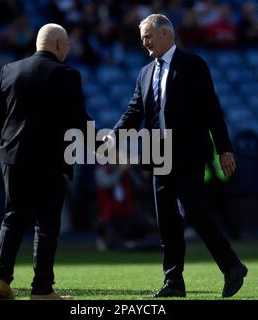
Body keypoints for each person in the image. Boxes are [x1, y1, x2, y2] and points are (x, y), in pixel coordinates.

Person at [104, 14, 247, 298]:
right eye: (142, 37)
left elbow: (211, 109)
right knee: (166, 220)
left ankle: (232, 266)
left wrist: (224, 148)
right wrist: (114, 134)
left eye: (148, 36)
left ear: (166, 34)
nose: (144, 42)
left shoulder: (193, 65)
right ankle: (174, 282)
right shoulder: (144, 73)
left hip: (188, 154)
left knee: (194, 211)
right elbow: (135, 111)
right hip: (159, 155)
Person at [0, 23, 92, 300]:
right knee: (46, 224)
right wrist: (101, 145)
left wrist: (3, 140)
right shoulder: (67, 75)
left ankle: (0, 281)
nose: (67, 50)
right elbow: (79, 121)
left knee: (12, 218)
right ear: (57, 45)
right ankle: (41, 289)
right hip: (50, 160)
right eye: (66, 45)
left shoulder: (10, 70)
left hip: (13, 157)